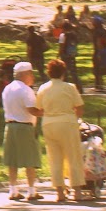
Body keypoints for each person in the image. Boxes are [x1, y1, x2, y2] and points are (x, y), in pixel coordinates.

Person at [36, 58, 85, 202]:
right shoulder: (70, 87)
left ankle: (60, 192)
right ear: (63, 72)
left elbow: (39, 108)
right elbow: (79, 107)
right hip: (67, 122)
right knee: (73, 156)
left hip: (48, 124)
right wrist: (75, 119)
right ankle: (77, 191)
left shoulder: (43, 88)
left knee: (55, 158)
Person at [1, 61, 44, 202]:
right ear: (25, 74)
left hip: (10, 126)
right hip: (24, 127)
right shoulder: (26, 90)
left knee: (12, 160)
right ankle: (31, 191)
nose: (32, 77)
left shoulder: (7, 89)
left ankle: (13, 190)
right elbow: (32, 109)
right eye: (31, 74)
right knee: (29, 159)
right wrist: (45, 112)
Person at [90, 17, 106, 92]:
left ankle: (99, 86)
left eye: (93, 21)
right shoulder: (105, 31)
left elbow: (99, 42)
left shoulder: (97, 32)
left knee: (98, 69)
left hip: (99, 51)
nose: (92, 23)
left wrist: (98, 52)